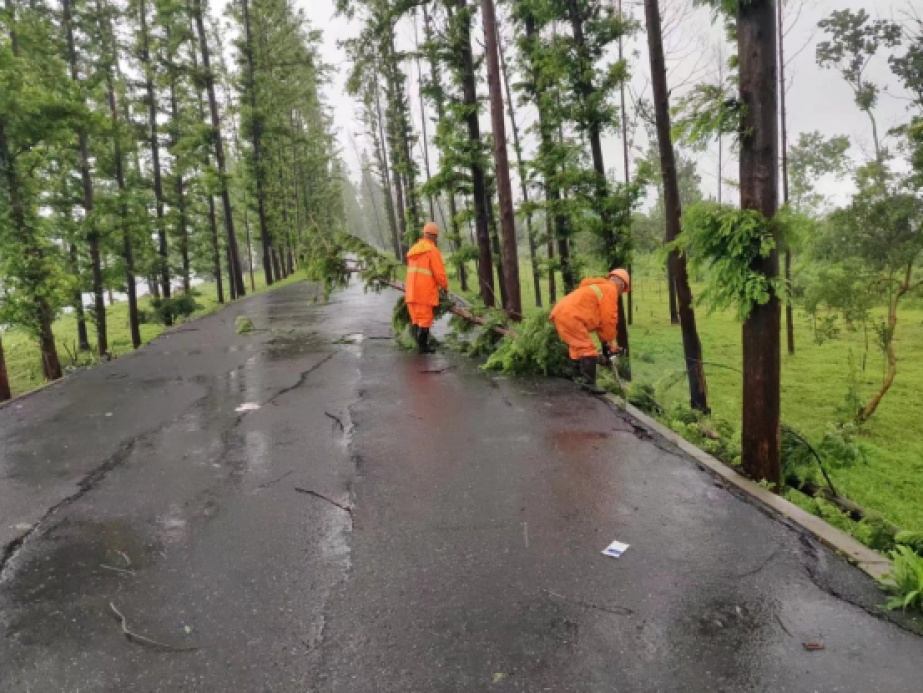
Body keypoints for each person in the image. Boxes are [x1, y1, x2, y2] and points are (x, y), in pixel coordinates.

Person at [549, 269, 631, 394]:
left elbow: (601, 324)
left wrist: (606, 345)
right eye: (623, 289)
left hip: (560, 313)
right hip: (572, 316)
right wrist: (609, 343)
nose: (620, 293)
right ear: (621, 284)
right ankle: (589, 384)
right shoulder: (610, 290)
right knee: (587, 349)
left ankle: (576, 378)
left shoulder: (599, 287)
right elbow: (608, 319)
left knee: (577, 348)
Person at [405, 222, 449, 354]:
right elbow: (439, 273)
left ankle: (418, 344)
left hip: (411, 292)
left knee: (416, 319)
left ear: (424, 234)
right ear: (435, 237)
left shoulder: (414, 249)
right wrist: (445, 286)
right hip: (424, 292)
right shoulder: (432, 251)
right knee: (425, 319)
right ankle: (423, 347)